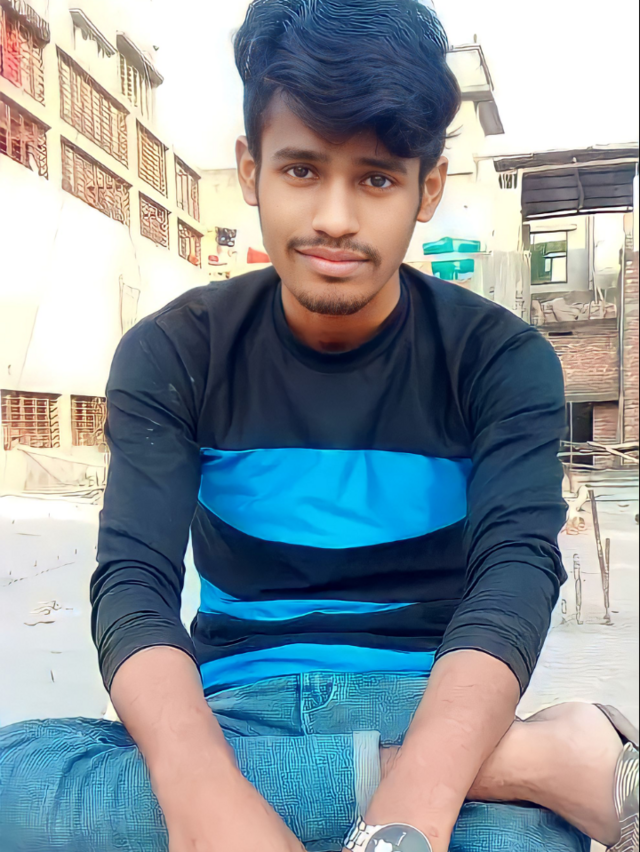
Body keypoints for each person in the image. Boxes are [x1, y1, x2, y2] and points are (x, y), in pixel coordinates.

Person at [0, 1, 637, 851]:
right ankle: (537, 761)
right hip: (232, 714)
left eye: (375, 178)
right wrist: (205, 798)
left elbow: (514, 577)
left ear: (428, 187)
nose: (335, 216)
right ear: (251, 168)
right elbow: (134, 585)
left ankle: (435, 775)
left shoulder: (498, 360)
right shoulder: (176, 352)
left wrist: (412, 808)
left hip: (434, 704)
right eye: (302, 169)